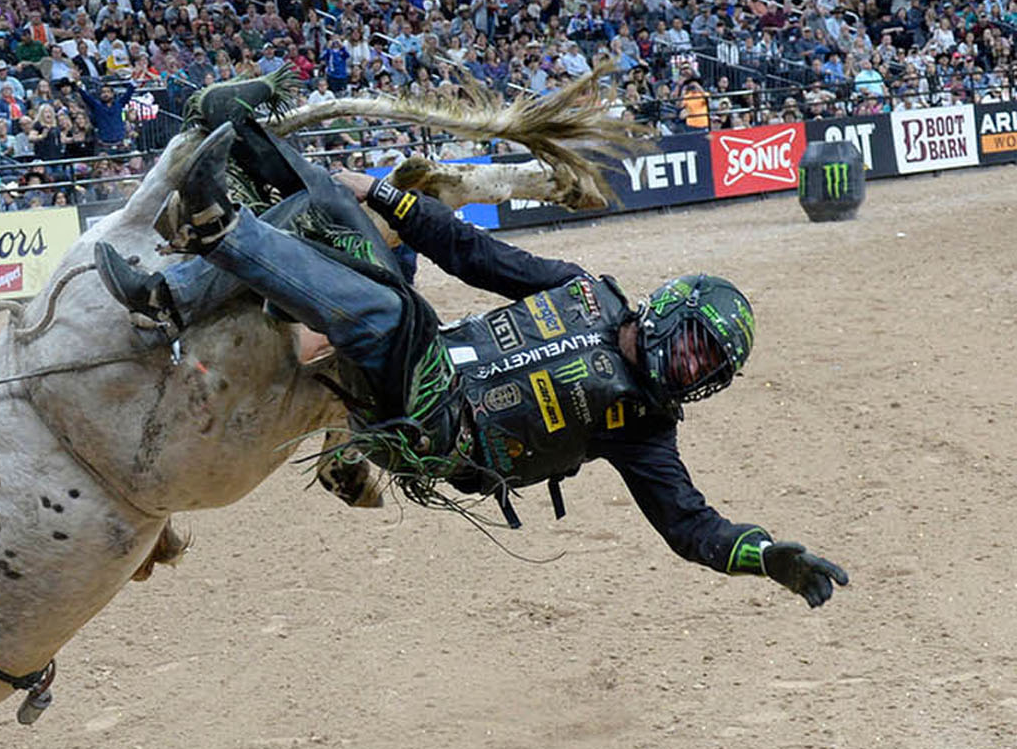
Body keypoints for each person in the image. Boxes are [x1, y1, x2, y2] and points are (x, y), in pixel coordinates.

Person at [95, 122, 848, 607]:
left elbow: (690, 526)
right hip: (423, 364)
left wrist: (764, 558)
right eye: (690, 347)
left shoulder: (642, 427)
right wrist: (378, 192)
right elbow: (471, 252)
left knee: (396, 314)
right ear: (665, 311)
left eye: (702, 370)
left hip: (443, 436)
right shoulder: (580, 291)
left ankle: (219, 230)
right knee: (340, 212)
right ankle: (187, 261)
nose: (685, 370)